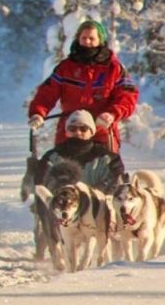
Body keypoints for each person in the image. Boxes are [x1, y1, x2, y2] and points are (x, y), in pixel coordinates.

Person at [28, 20, 139, 153]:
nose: (87, 42)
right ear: (78, 39)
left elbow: (127, 96)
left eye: (91, 38)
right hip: (70, 130)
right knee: (62, 169)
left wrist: (112, 113)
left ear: (100, 40)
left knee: (105, 169)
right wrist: (38, 113)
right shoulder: (66, 67)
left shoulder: (114, 68)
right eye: (84, 38)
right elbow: (47, 93)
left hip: (101, 130)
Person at [32, 110, 125, 193]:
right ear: (66, 132)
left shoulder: (108, 159)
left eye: (83, 129)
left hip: (98, 207)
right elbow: (41, 185)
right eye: (72, 129)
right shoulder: (53, 157)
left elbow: (117, 185)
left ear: (92, 132)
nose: (78, 132)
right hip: (61, 206)